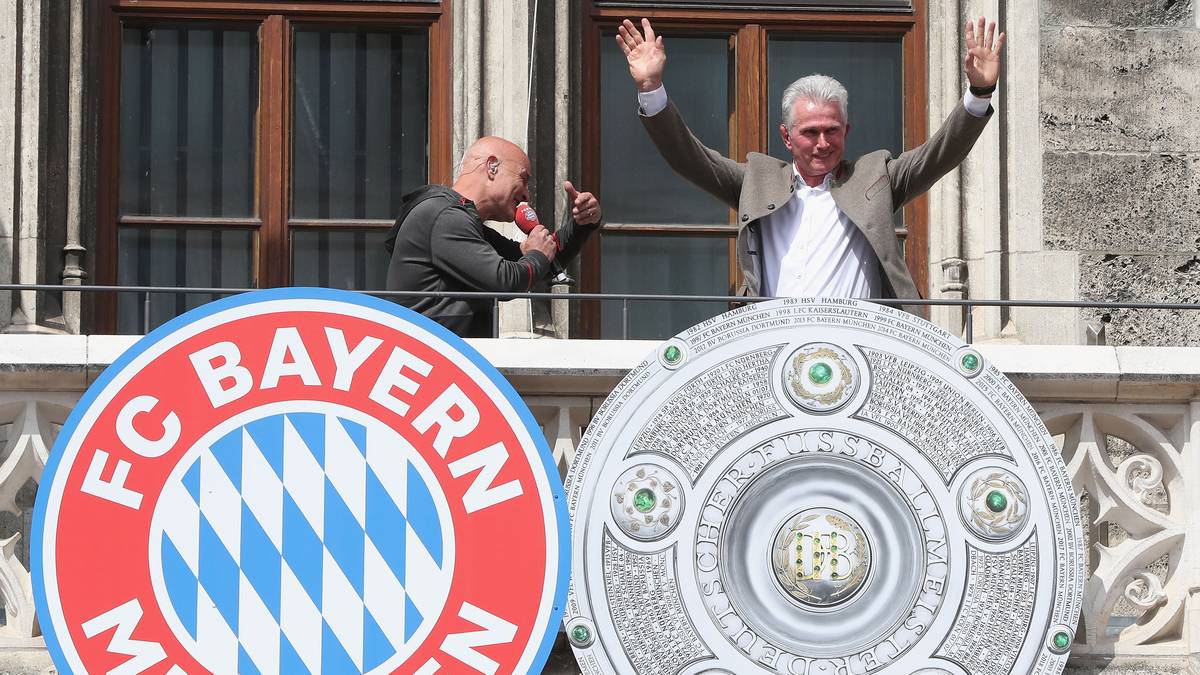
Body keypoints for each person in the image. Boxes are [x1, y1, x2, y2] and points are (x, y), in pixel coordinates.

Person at [616, 17, 1006, 313]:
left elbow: (940, 153)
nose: (823, 143)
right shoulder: (757, 179)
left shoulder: (876, 177)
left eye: (832, 130)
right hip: (775, 346)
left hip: (861, 347)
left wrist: (979, 92)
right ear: (786, 137)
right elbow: (689, 158)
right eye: (811, 132)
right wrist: (651, 90)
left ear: (847, 130)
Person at [385, 136, 602, 337]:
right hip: (432, 362)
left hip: (444, 359)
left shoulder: (460, 220)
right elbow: (503, 281)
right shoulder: (444, 216)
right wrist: (536, 254)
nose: (527, 194)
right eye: (523, 178)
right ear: (491, 167)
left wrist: (582, 224)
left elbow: (534, 262)